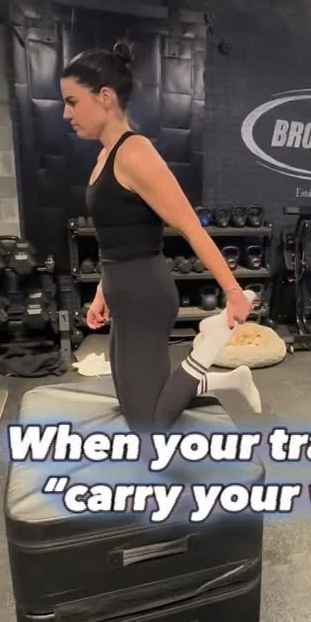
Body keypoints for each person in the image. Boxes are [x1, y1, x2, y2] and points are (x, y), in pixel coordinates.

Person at [60, 40, 262, 432]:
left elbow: (190, 226)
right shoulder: (105, 155)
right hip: (122, 293)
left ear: (105, 97)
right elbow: (118, 236)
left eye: (72, 102)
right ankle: (231, 380)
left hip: (145, 297)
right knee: (131, 402)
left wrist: (234, 293)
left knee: (147, 423)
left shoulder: (135, 154)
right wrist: (102, 292)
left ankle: (210, 345)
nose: (67, 113)